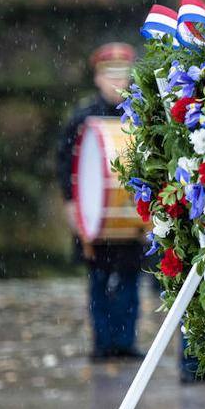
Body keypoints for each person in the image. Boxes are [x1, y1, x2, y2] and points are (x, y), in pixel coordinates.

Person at [55, 42, 146, 361]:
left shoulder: (141, 114)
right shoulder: (82, 117)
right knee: (98, 279)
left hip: (132, 215)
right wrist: (71, 207)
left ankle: (125, 341)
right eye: (111, 75)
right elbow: (66, 165)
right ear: (97, 78)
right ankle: (102, 342)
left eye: (123, 75)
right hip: (92, 215)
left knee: (131, 279)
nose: (118, 82)